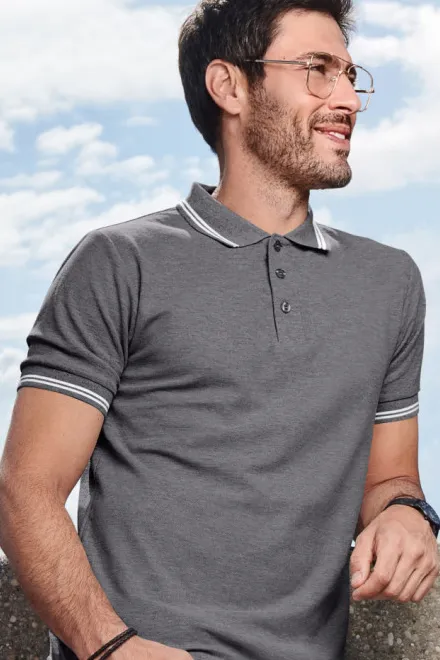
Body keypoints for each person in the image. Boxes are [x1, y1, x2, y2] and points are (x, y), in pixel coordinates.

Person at [0, 1, 438, 659]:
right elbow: (25, 490)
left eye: (351, 75)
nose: (348, 98)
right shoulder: (118, 262)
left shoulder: (390, 281)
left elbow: (390, 479)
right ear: (229, 86)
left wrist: (407, 515)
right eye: (317, 69)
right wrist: (113, 648)